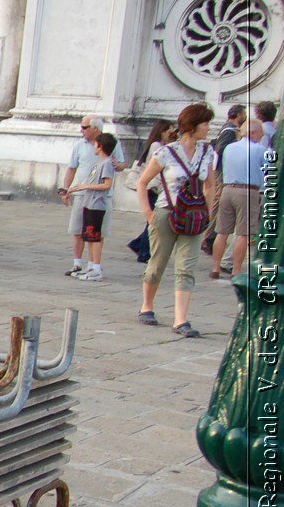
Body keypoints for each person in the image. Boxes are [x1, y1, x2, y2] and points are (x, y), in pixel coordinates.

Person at [134, 102, 218, 338]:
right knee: (157, 264)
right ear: (192, 126)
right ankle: (147, 305)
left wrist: (210, 213)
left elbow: (209, 184)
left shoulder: (207, 152)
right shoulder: (166, 152)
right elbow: (142, 183)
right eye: (205, 123)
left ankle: (181, 319)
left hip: (194, 216)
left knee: (186, 267)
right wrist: (148, 213)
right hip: (166, 212)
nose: (208, 128)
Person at [62, 116, 126, 276]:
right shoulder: (80, 146)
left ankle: (94, 266)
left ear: (95, 129)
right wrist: (66, 189)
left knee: (97, 232)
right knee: (78, 229)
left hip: (100, 198)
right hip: (83, 195)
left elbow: (118, 168)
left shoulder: (109, 148)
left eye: (85, 127)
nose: (81, 130)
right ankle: (79, 264)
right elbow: (72, 168)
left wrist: (118, 166)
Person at [210, 119, 266, 280]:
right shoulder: (260, 150)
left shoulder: (229, 148)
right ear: (254, 133)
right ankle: (235, 269)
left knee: (222, 232)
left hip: (227, 189)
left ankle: (215, 268)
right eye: (260, 133)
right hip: (248, 191)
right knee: (243, 234)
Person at [126, 119, 174, 263]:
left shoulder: (160, 145)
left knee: (154, 220)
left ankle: (137, 244)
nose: (171, 135)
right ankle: (144, 252)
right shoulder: (157, 146)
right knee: (153, 221)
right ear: (162, 132)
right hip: (152, 187)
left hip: (155, 187)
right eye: (169, 132)